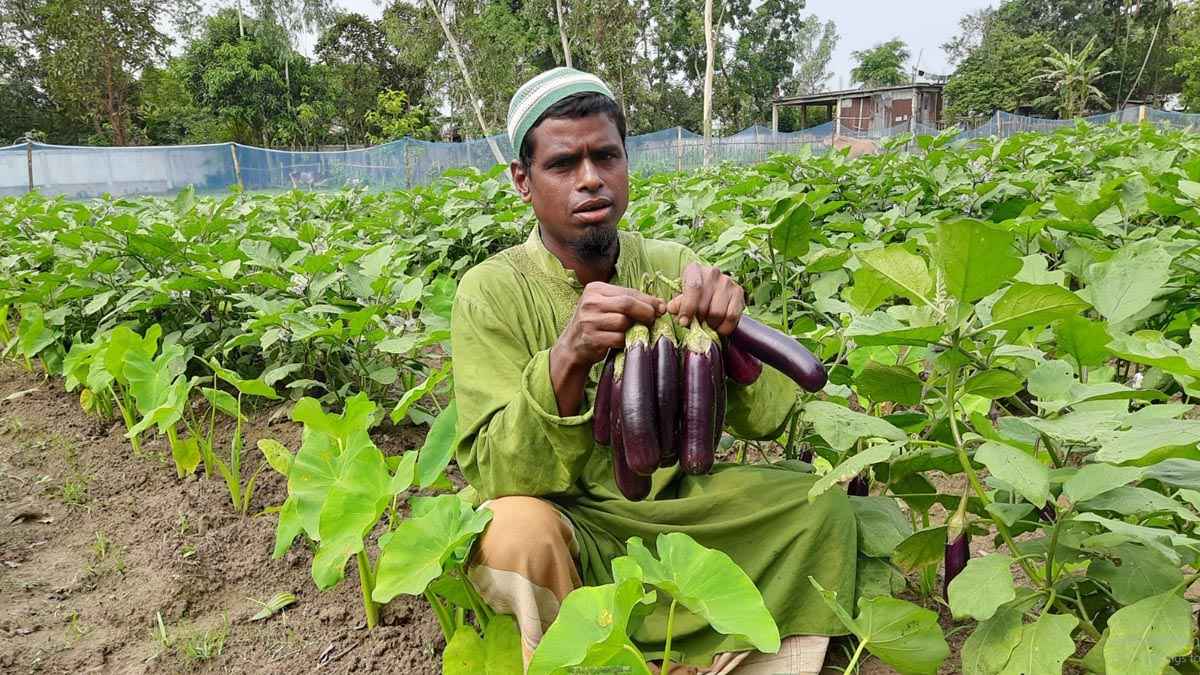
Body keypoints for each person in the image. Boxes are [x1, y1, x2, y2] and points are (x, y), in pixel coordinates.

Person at [450, 67, 857, 674]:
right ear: (522, 181)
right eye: (564, 164)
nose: (591, 179)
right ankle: (578, 661)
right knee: (512, 530)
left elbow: (771, 418)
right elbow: (495, 471)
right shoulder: (489, 291)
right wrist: (567, 356)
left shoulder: (672, 264)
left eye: (606, 157)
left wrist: (728, 337)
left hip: (680, 508)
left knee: (817, 506)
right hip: (573, 520)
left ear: (625, 165)